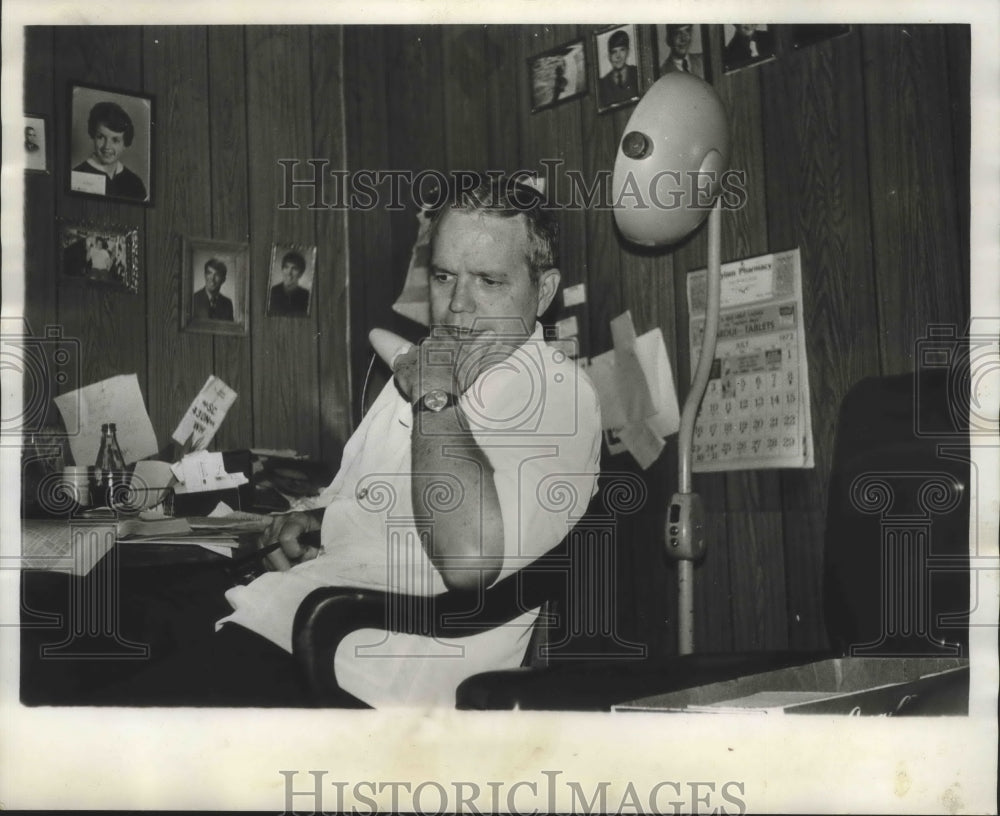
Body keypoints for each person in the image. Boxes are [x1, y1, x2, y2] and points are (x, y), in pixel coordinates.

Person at [84, 174, 602, 708]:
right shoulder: (437, 360)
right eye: (445, 277)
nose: (457, 308)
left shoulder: (557, 393)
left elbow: (468, 559)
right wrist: (318, 522)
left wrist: (434, 398)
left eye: (489, 282)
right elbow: (377, 505)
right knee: (74, 622)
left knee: (100, 731)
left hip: (360, 673)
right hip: (287, 616)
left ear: (542, 291)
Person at [72, 101, 147, 202]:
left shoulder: (135, 183)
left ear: (125, 143)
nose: (107, 146)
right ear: (93, 136)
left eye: (115, 140)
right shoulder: (77, 176)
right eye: (101, 137)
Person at [598, 29, 639, 106]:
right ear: (609, 56)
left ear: (628, 52)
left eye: (622, 50)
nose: (618, 56)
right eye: (614, 52)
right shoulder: (602, 84)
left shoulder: (637, 73)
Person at [267, 250, 311, 316]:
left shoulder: (307, 296)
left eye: (294, 268)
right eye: (286, 267)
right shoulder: (272, 292)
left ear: (301, 274)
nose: (289, 273)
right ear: (282, 270)